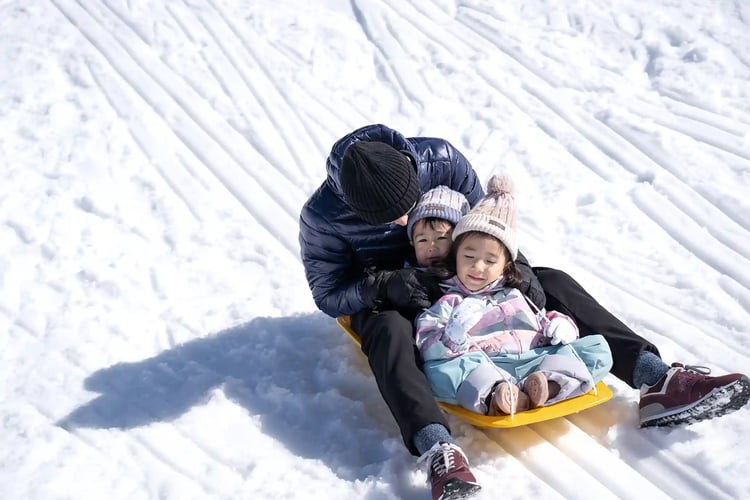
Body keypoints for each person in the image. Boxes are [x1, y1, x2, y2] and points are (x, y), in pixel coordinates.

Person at [298, 124, 750, 500]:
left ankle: (657, 379)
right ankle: (438, 450)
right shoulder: (321, 217)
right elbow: (329, 293)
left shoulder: (440, 158)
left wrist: (518, 272)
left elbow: (488, 227)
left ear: (414, 175)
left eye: (406, 209)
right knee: (387, 330)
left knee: (550, 280)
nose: (402, 224)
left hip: (461, 268)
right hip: (389, 291)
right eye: (387, 219)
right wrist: (386, 284)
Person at [415, 175, 613, 416]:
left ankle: (546, 387)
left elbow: (542, 321)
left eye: (490, 261)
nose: (478, 267)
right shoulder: (450, 301)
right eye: (469, 257)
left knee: (598, 349)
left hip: (534, 361)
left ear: (506, 266)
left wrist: (561, 325)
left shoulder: (515, 295)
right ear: (455, 257)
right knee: (437, 373)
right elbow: (426, 346)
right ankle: (499, 395)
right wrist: (452, 337)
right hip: (485, 367)